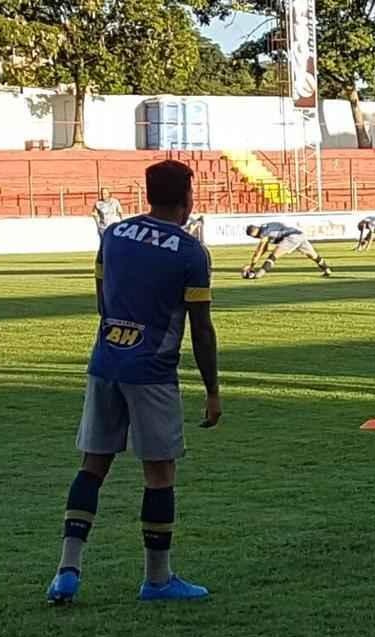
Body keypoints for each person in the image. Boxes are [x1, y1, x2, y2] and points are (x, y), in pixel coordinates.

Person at [46, 160, 221, 605]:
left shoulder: (114, 235)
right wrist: (212, 390)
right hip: (152, 371)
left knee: (92, 465)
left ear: (147, 193)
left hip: (105, 362)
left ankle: (67, 571)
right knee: (159, 473)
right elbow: (201, 328)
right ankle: (157, 580)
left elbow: (102, 299)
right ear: (187, 197)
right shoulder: (190, 252)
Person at [242, 221, 332, 279]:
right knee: (313, 255)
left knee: (274, 255)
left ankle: (259, 274)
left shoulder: (263, 233)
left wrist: (252, 265)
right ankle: (327, 270)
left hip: (291, 237)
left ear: (253, 233)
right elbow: (265, 248)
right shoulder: (266, 227)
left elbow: (260, 250)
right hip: (299, 234)